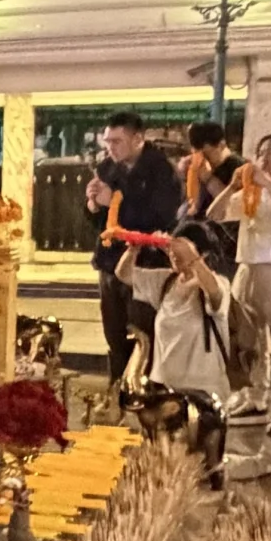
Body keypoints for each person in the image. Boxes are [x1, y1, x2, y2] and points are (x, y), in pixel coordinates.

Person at [208, 133, 271, 420]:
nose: (263, 159)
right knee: (250, 338)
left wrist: (269, 185)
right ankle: (256, 396)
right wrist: (231, 187)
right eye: (261, 153)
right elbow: (214, 214)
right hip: (249, 267)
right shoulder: (252, 192)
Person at [86, 114, 181, 384]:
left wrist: (117, 203)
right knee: (114, 335)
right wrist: (93, 205)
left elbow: (161, 219)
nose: (110, 148)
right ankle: (116, 392)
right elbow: (100, 222)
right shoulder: (107, 168)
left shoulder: (161, 171)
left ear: (138, 139)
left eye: (117, 141)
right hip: (109, 261)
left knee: (144, 335)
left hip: (145, 265)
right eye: (107, 142)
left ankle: (145, 396)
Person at [126, 220, 235, 399]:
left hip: (204, 393)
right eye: (172, 250)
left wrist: (192, 259)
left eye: (181, 251)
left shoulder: (216, 283)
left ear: (203, 255)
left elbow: (215, 294)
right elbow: (124, 274)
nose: (174, 255)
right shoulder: (166, 281)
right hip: (164, 389)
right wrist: (135, 248)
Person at [178, 121, 237, 219]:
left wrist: (209, 179)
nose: (205, 158)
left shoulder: (236, 166)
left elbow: (234, 203)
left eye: (208, 153)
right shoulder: (199, 164)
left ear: (221, 145)